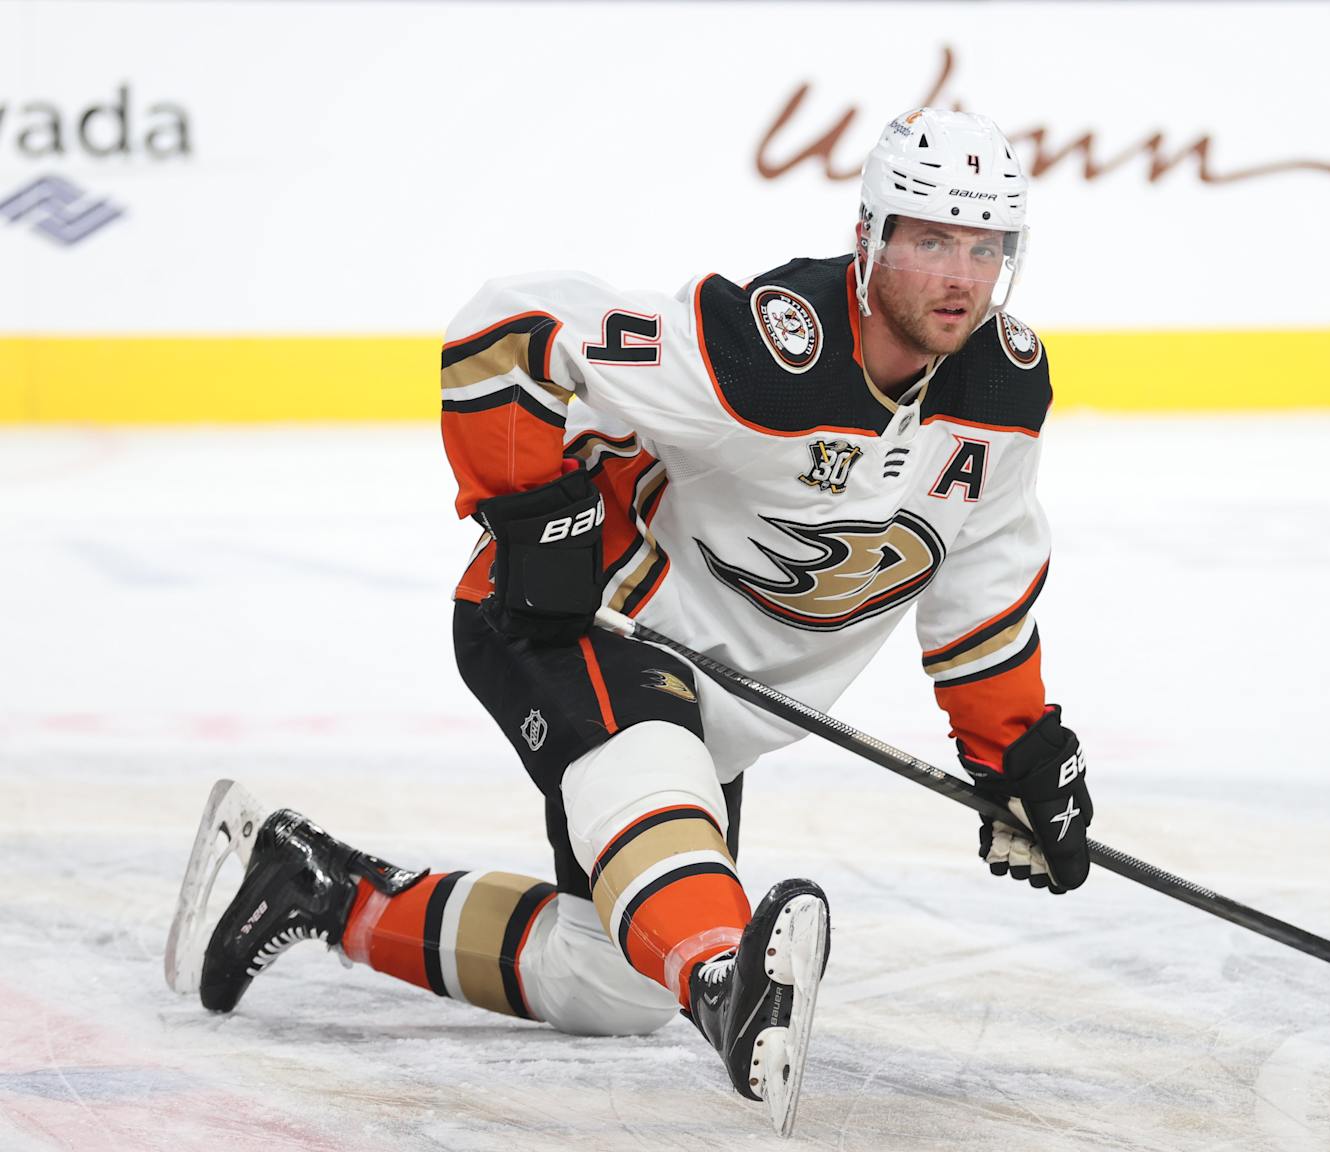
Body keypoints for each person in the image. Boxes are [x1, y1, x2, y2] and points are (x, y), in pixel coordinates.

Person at [179, 107, 1094, 1134]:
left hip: (714, 703)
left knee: (608, 986)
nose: (958, 276)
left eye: (983, 247)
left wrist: (1014, 754)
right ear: (871, 236)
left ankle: (319, 887)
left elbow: (980, 580)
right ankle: (723, 983)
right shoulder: (767, 354)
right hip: (581, 620)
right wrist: (533, 511)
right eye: (929, 240)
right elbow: (512, 333)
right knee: (654, 787)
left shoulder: (1003, 389)